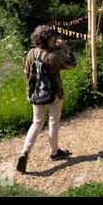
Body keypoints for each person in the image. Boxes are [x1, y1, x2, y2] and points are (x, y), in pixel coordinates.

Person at [16, 25, 77, 174]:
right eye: (52, 37)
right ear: (47, 39)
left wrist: (32, 89)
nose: (54, 39)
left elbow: (27, 74)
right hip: (54, 93)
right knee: (53, 122)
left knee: (36, 123)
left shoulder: (31, 53)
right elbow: (73, 64)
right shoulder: (54, 56)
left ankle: (24, 152)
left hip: (36, 93)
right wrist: (67, 48)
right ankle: (54, 152)